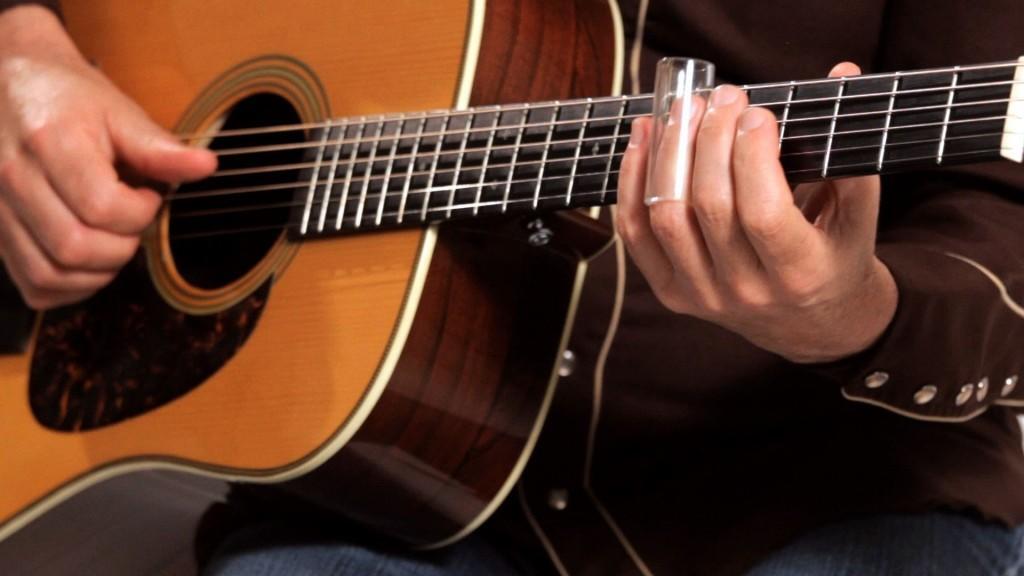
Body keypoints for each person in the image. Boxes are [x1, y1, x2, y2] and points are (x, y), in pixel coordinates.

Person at [1, 1, 1022, 575]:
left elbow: (999, 221)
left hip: (814, 495)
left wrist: (847, 316)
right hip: (370, 495)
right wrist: (21, 47)